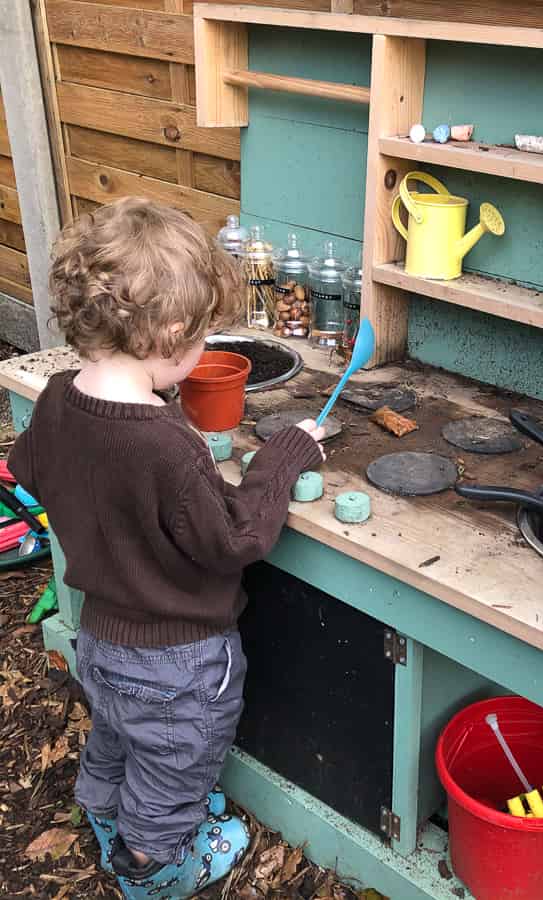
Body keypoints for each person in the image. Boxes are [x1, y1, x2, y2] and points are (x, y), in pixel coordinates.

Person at [9, 198, 326, 899]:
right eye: (204, 337)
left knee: (120, 732)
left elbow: (31, 468)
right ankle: (156, 864)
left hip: (103, 633)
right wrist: (285, 454)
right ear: (175, 332)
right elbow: (235, 540)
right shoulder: (165, 447)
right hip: (177, 659)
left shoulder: (60, 397)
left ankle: (99, 807)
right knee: (175, 760)